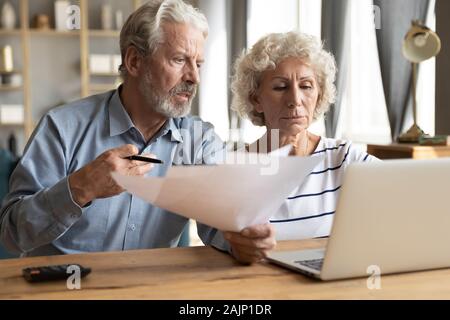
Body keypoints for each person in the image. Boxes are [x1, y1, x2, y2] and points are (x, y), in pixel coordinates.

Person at [0, 0, 275, 264]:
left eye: (198, 63)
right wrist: (81, 187)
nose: (194, 77)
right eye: (179, 60)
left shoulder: (198, 141)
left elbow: (223, 222)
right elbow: (12, 234)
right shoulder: (61, 128)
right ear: (133, 61)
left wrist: (244, 239)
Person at [231, 31, 379, 241]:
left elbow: (406, 191)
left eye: (306, 86)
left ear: (319, 95)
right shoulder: (234, 168)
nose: (295, 99)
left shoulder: (343, 158)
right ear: (256, 100)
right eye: (280, 87)